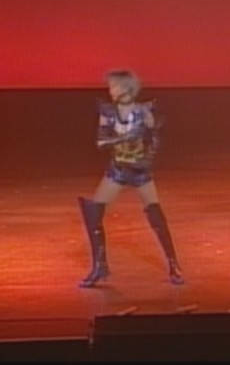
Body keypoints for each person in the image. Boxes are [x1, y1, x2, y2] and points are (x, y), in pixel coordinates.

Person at [78, 70, 184, 287]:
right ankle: (100, 265)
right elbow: (101, 142)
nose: (110, 90)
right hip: (118, 167)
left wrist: (146, 158)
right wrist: (125, 138)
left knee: (155, 213)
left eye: (114, 86)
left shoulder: (144, 111)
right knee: (94, 211)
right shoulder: (108, 112)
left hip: (139, 170)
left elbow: (155, 138)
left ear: (126, 88)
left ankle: (173, 264)